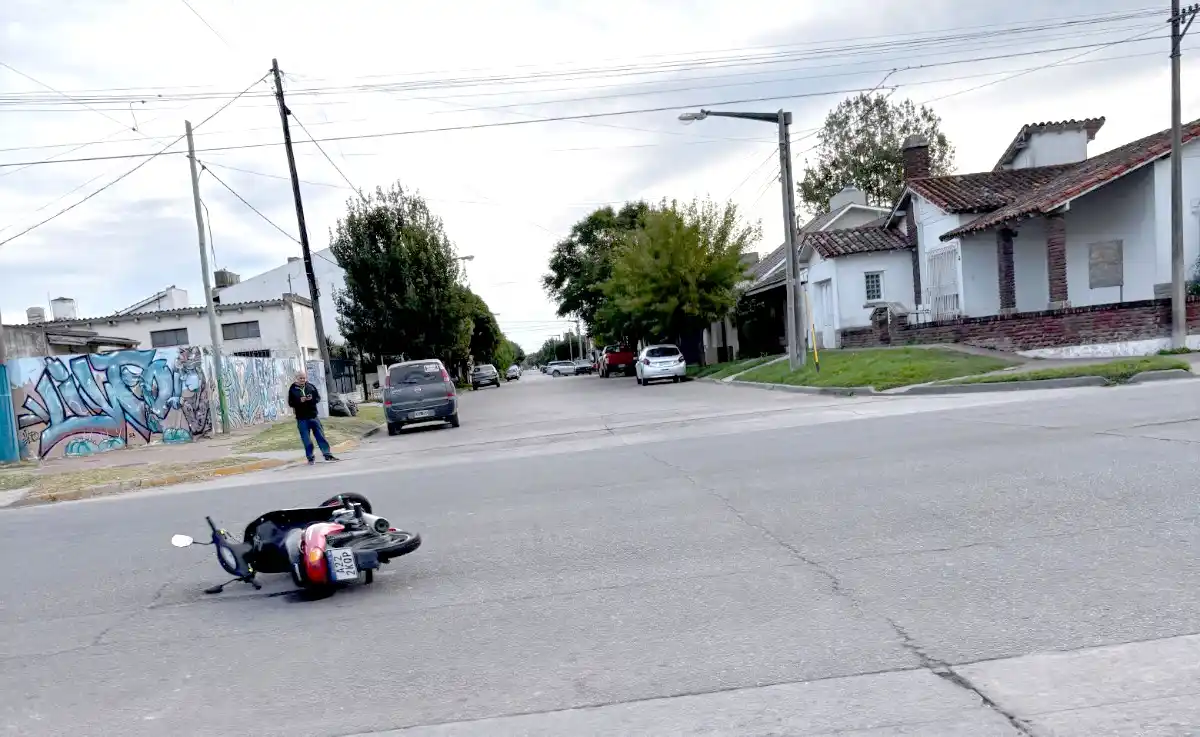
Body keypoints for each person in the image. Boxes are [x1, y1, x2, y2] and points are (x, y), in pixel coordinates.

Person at [287, 371, 339, 465]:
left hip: (313, 416)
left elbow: (318, 398)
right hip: (302, 419)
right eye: (300, 378)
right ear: (296, 379)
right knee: (306, 440)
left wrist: (312, 399)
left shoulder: (310, 387)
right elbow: (291, 403)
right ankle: (310, 458)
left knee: (321, 437)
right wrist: (299, 401)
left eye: (304, 378)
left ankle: (327, 455)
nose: (302, 380)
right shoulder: (292, 389)